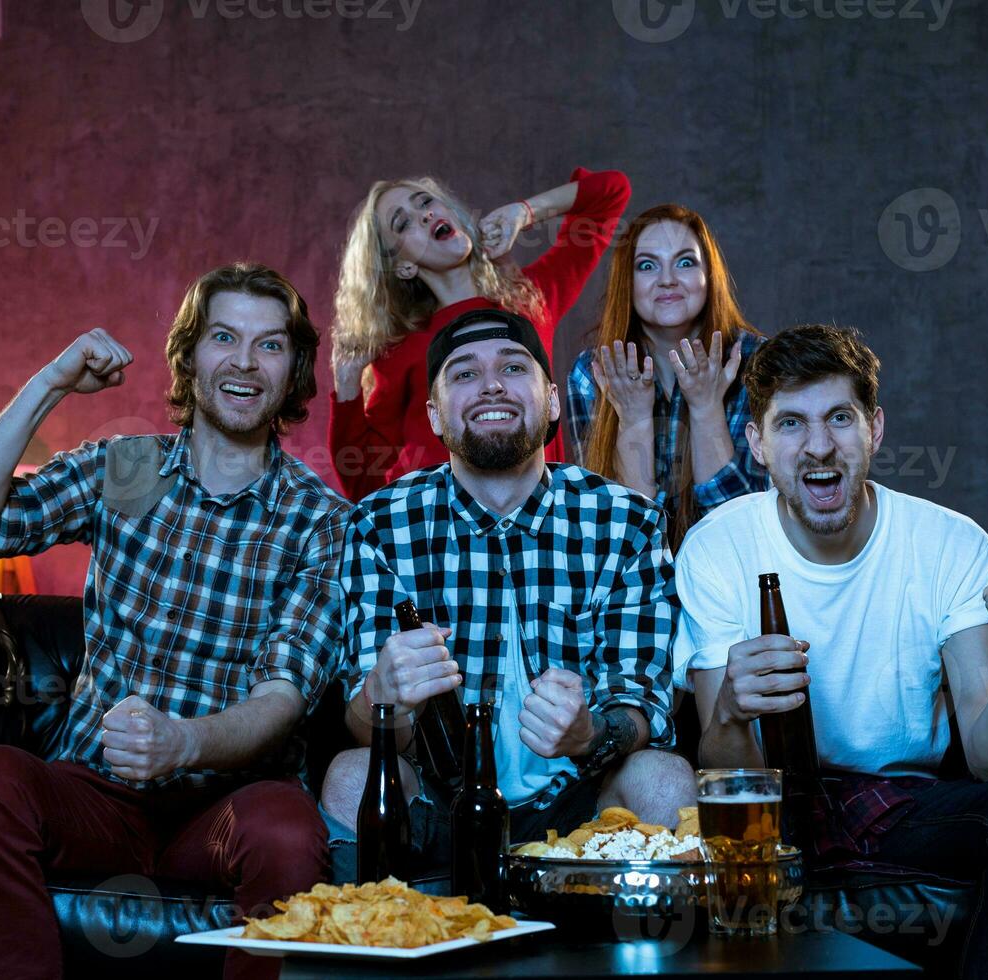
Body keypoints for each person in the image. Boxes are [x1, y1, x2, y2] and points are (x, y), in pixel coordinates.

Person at [0, 263, 351, 980]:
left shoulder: (323, 524)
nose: (244, 362)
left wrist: (182, 742)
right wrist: (50, 384)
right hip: (93, 796)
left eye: (270, 345)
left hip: (227, 807)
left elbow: (285, 696)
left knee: (289, 830)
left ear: (294, 369)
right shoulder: (128, 469)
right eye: (224, 337)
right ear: (190, 356)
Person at [676, 324, 988, 979]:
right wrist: (727, 710)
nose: (818, 446)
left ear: (875, 429)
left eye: (840, 418)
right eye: (790, 424)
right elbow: (725, 772)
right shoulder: (719, 546)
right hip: (781, 808)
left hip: (902, 805)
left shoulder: (949, 542)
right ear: (756, 443)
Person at [320, 307, 695, 878]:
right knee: (352, 773)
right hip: (440, 803)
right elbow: (369, 732)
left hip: (582, 802)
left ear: (550, 401)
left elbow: (639, 702)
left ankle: (640, 958)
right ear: (435, 416)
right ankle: (384, 943)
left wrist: (589, 732)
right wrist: (381, 693)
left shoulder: (626, 522)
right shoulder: (379, 524)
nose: (491, 383)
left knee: (664, 777)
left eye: (513, 368)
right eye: (464, 374)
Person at [327, 166, 631, 501]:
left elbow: (611, 192)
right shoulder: (399, 352)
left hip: (541, 528)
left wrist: (524, 212)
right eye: (404, 222)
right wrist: (347, 388)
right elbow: (363, 479)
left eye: (426, 202)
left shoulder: (528, 300)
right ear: (403, 266)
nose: (425, 214)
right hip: (443, 539)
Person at [567, 203, 766, 548]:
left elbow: (740, 523)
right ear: (627, 283)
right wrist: (633, 418)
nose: (668, 279)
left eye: (685, 262)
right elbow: (622, 531)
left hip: (734, 577)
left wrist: (705, 408)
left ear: (709, 276)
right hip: (637, 586)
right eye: (647, 265)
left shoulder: (756, 362)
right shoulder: (592, 374)